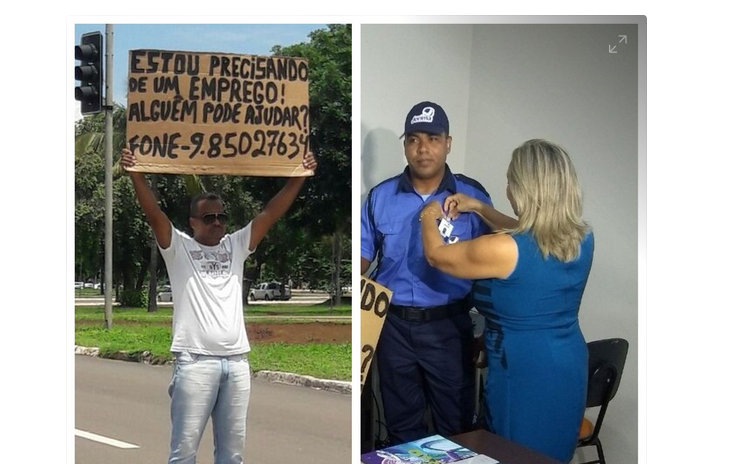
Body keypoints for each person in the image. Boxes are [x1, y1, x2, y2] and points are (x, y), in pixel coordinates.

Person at [120, 147, 317, 464]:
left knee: (232, 455)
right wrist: (136, 175)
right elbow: (153, 214)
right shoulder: (178, 247)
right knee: (184, 454)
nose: (216, 222)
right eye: (208, 217)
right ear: (193, 222)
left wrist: (299, 176)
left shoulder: (236, 245)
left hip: (237, 364)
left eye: (221, 216)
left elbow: (271, 213)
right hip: (195, 362)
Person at [420, 139, 593, 463]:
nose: (508, 188)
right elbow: (530, 234)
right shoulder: (580, 237)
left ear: (527, 188)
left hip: (524, 371)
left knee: (514, 453)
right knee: (550, 455)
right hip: (567, 362)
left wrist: (428, 214)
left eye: (512, 180)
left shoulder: (502, 249)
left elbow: (436, 256)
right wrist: (480, 207)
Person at [360, 101, 493, 445]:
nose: (423, 149)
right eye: (414, 139)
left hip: (450, 328)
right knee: (401, 428)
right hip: (393, 329)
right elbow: (361, 263)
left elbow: (495, 268)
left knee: (457, 427)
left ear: (448, 143)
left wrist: (488, 330)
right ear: (405, 145)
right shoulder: (379, 197)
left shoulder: (473, 196)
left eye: (433, 139)